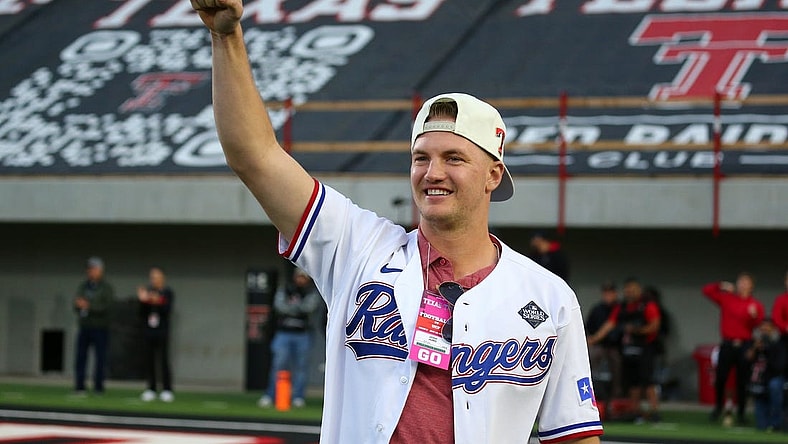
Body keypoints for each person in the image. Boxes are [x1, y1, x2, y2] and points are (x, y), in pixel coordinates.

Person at [191, 1, 602, 442]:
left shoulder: (549, 297)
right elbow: (255, 156)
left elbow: (574, 436)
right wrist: (226, 36)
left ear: (493, 175)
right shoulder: (358, 248)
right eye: (420, 158)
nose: (433, 172)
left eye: (454, 158)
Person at [587, 277, 662, 422]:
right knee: (632, 382)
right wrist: (594, 339)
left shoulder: (647, 305)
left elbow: (654, 325)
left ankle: (655, 411)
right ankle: (635, 411)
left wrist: (636, 330)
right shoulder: (621, 307)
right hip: (628, 349)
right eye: (627, 290)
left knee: (648, 380)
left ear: (639, 289)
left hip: (646, 347)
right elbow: (609, 324)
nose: (630, 293)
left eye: (633, 289)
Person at [702, 272, 765, 425]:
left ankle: (741, 413)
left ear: (751, 286)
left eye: (746, 281)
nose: (742, 284)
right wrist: (721, 285)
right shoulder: (727, 298)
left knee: (742, 381)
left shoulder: (755, 304)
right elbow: (706, 291)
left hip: (745, 344)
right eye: (740, 281)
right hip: (728, 343)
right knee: (721, 377)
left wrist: (753, 316)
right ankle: (718, 408)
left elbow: (758, 325)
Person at [258, 267, 321, 408]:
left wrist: (293, 307)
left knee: (301, 367)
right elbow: (280, 306)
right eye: (299, 277)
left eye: (304, 277)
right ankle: (271, 395)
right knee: (278, 364)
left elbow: (309, 307)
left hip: (302, 334)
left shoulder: (311, 291)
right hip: (284, 333)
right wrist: (296, 309)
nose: (301, 280)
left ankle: (297, 397)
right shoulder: (286, 289)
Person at [73, 256, 115, 395]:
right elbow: (76, 303)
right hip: (85, 326)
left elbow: (107, 306)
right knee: (80, 357)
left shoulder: (106, 288)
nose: (91, 272)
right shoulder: (83, 286)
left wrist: (89, 306)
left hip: (100, 328)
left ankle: (98, 386)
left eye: (94, 269)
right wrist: (79, 305)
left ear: (100, 270)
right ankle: (80, 386)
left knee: (100, 358)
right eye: (90, 269)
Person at [137, 267, 175, 403]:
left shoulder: (167, 292)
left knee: (163, 360)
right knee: (149, 360)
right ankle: (151, 388)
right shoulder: (148, 293)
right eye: (152, 278)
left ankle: (167, 389)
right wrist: (144, 300)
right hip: (149, 331)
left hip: (162, 331)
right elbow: (141, 313)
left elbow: (167, 309)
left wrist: (155, 300)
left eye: (156, 277)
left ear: (162, 279)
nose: (154, 280)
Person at [585, 280, 623, 400]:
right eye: (606, 293)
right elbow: (588, 327)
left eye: (610, 293)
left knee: (617, 363)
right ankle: (589, 391)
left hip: (615, 346)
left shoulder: (620, 308)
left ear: (615, 293)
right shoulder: (597, 309)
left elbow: (615, 327)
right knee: (590, 358)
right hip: (599, 346)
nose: (608, 296)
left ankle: (616, 394)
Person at [772, 270, 788, 382]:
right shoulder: (781, 299)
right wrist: (786, 327)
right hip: (785, 339)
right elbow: (776, 318)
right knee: (781, 366)